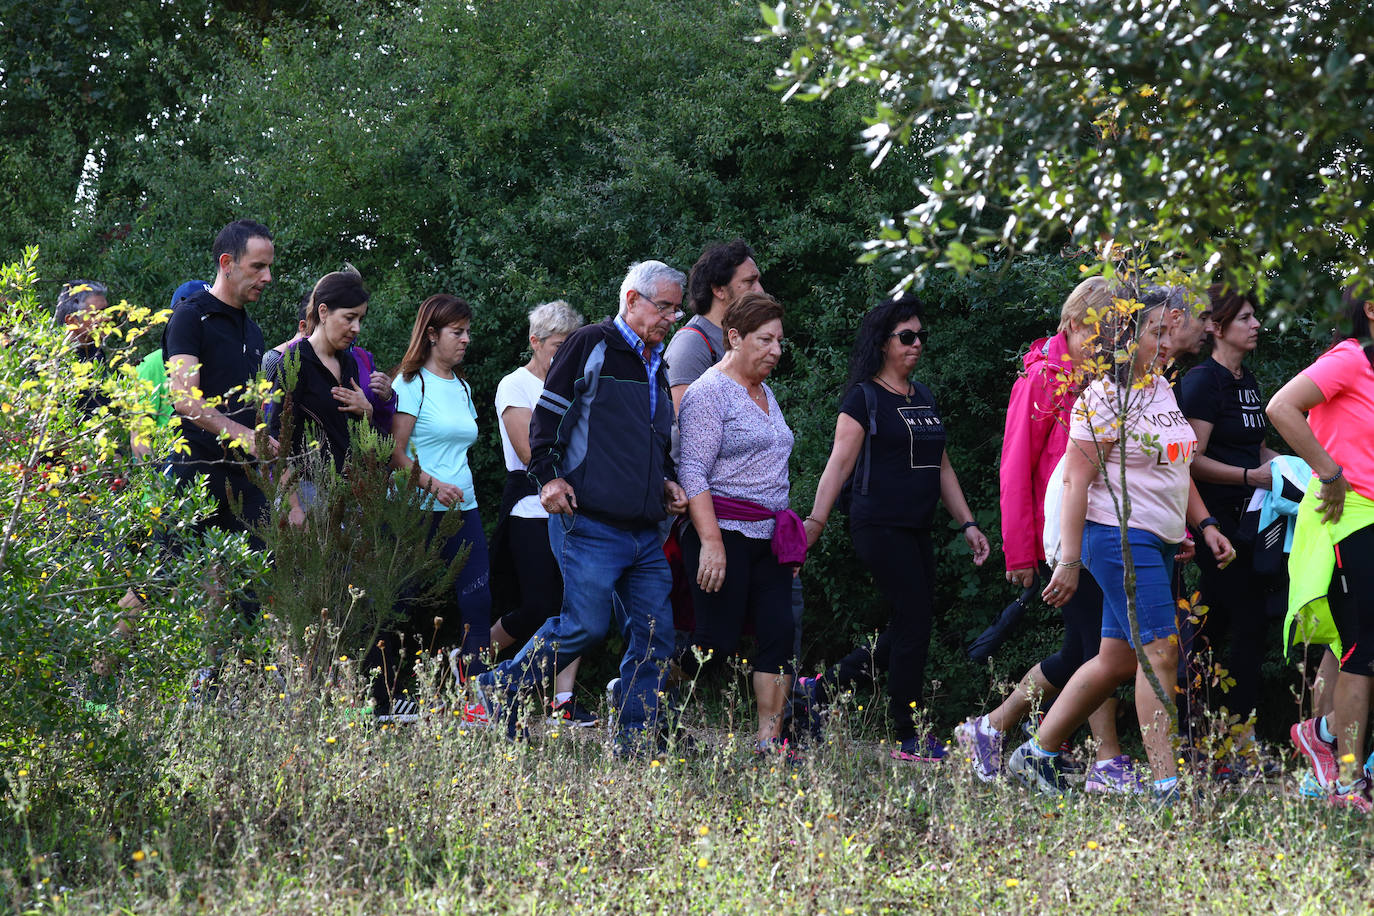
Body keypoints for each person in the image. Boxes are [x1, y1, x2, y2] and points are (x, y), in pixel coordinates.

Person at [1008, 292, 1235, 802]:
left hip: (1157, 538)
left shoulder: (1158, 390)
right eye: (1155, 332)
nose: (1165, 344)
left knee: (1117, 659)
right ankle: (1166, 784)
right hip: (1115, 534)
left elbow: (1176, 464)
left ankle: (1036, 753)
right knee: (1160, 650)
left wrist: (1205, 523)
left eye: (1166, 332)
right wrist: (1068, 559)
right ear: (1125, 337)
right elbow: (1075, 482)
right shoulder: (1105, 396)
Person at [476, 260, 689, 756]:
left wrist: (668, 483)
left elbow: (656, 442)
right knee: (585, 625)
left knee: (656, 633)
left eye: (677, 311)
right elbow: (546, 419)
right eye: (664, 307)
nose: (670, 319)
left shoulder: (657, 364)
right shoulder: (591, 343)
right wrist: (547, 478)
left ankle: (636, 741)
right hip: (588, 522)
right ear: (632, 300)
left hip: (643, 530)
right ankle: (502, 686)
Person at [956, 277, 1131, 790]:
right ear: (1073, 325)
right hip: (1063, 538)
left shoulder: (1104, 383)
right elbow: (1015, 470)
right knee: (1097, 649)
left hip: (1099, 529)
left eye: (1115, 337)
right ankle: (1093, 755)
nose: (1106, 348)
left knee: (1092, 648)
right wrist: (1020, 551)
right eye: (1098, 336)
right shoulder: (1040, 382)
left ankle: (997, 730)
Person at [801, 296, 991, 761]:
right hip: (877, 525)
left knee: (910, 622)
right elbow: (837, 466)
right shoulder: (863, 398)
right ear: (883, 343)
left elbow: (941, 466)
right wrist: (814, 524)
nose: (917, 344)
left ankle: (821, 690)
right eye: (907, 337)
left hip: (917, 527)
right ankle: (907, 733)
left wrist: (967, 522)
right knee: (915, 622)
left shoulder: (922, 396)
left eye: (921, 336)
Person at [678, 292, 803, 753]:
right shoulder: (708, 392)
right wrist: (711, 541)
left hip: (770, 538)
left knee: (778, 632)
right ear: (734, 337)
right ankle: (650, 686)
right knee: (717, 641)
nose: (775, 350)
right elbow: (692, 470)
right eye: (765, 340)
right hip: (722, 530)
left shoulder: (765, 391)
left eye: (779, 342)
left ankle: (769, 742)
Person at [1266, 282, 1374, 811]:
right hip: (1346, 517)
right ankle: (1349, 782)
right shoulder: (1348, 359)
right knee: (1362, 648)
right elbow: (1282, 406)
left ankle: (1325, 735)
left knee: (1349, 642)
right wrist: (1328, 472)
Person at [371, 293, 493, 719]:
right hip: (414, 511)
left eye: (467, 332)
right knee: (400, 602)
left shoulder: (461, 385)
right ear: (431, 334)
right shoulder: (411, 383)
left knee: (478, 601)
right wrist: (432, 484)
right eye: (457, 332)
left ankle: (475, 697)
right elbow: (394, 454)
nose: (465, 340)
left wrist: (452, 486)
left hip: (465, 509)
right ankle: (379, 699)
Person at [1177, 285, 1281, 762]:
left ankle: (1201, 733)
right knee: (1244, 623)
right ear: (1217, 328)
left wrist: (1306, 470)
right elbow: (1188, 461)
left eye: (1255, 317)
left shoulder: (1247, 380)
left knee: (1215, 625)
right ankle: (1231, 738)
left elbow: (1256, 448)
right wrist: (1247, 475)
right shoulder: (1203, 381)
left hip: (1253, 523)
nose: (1256, 324)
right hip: (1215, 526)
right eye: (1244, 318)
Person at [489, 299, 597, 727]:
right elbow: (531, 451)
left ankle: (563, 700)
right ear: (535, 342)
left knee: (577, 607)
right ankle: (472, 663)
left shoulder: (581, 384)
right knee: (537, 605)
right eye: (558, 345)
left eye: (574, 345)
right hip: (532, 507)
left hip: (578, 508)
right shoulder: (515, 385)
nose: (567, 353)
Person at [164, 220, 275, 537]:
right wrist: (245, 436)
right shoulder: (190, 316)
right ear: (227, 263)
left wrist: (263, 441)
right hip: (194, 473)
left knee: (255, 580)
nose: (267, 277)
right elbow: (184, 399)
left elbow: (248, 406)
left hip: (244, 480)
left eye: (268, 267)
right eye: (257, 267)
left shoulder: (253, 332)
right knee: (162, 580)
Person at [267, 267, 374, 525]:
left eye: (360, 319)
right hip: (303, 493)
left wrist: (367, 411)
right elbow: (274, 439)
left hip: (347, 495)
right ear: (323, 312)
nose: (356, 328)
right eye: (349, 318)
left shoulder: (348, 363)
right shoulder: (295, 361)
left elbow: (355, 435)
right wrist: (294, 507)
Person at [54, 280, 111, 416]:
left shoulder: (95, 352)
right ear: (72, 320)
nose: (107, 318)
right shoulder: (51, 360)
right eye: (98, 313)